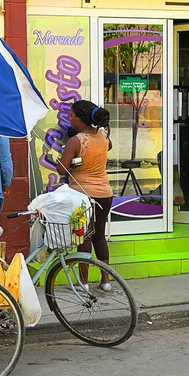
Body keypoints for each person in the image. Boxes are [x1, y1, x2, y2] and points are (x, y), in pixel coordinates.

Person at [57, 100, 113, 291]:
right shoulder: (104, 136)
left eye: (71, 115)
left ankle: (84, 282)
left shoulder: (76, 141)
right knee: (99, 236)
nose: (69, 118)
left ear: (79, 120)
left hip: (83, 195)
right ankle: (105, 281)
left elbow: (61, 169)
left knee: (84, 237)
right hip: (105, 193)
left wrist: (66, 159)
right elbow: (108, 147)